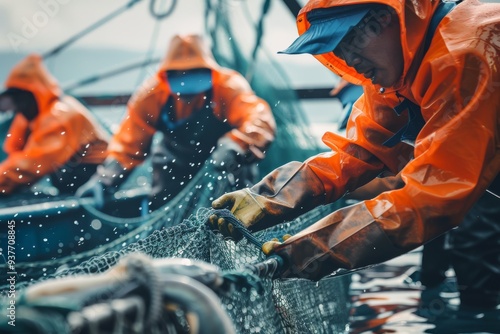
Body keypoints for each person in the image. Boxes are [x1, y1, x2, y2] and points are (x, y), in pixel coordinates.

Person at [209, 0, 500, 307]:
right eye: (337, 48)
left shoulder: (464, 54)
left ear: (384, 19)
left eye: (349, 41)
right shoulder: (400, 74)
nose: (348, 60)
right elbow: (357, 154)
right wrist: (267, 197)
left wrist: (320, 246)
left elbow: (433, 196)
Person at [77, 34, 276, 212]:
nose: (188, 93)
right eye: (180, 83)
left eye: (196, 80)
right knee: (168, 221)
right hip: (174, 166)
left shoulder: (228, 87)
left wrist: (236, 144)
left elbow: (260, 119)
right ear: (165, 77)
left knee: (236, 215)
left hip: (226, 166)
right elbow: (129, 146)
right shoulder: (151, 96)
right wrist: (104, 180)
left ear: (211, 73)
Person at [0, 54, 109, 196]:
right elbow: (16, 151)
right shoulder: (37, 113)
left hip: (94, 174)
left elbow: (32, 163)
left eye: (19, 100)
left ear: (33, 95)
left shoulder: (58, 116)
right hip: (68, 174)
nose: (18, 109)